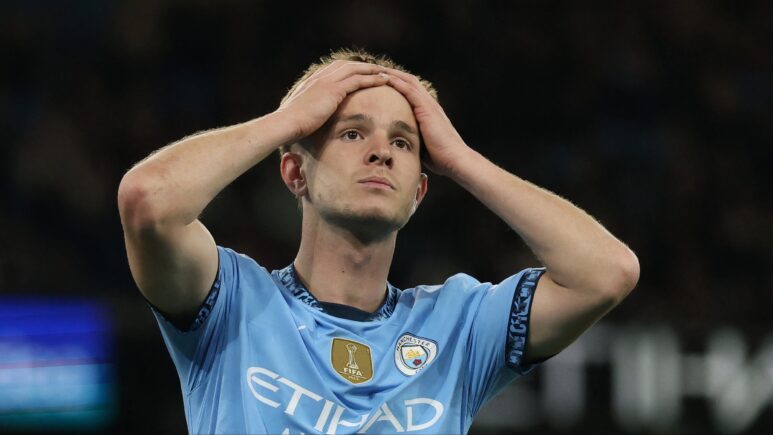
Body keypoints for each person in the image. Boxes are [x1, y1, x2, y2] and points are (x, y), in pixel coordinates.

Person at [117, 48, 639, 434]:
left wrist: (461, 159)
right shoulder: (231, 301)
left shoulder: (457, 327)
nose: (381, 152)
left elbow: (606, 273)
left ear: (419, 192)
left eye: (403, 142)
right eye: (352, 133)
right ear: (295, 173)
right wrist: (287, 121)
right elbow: (148, 200)